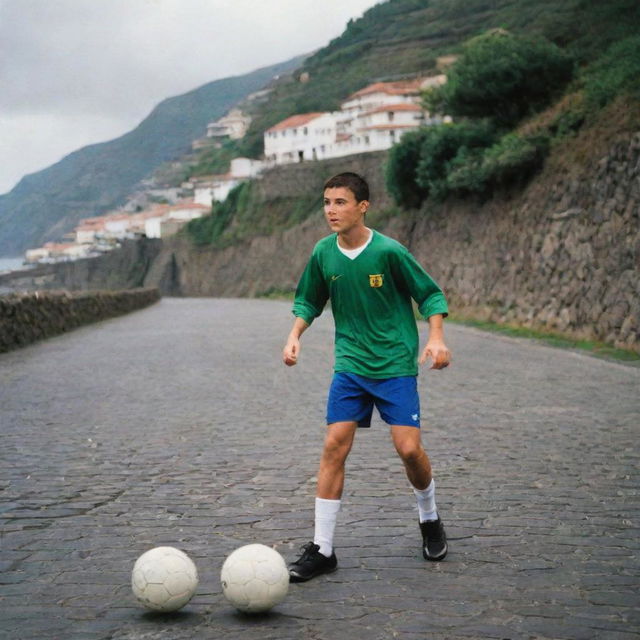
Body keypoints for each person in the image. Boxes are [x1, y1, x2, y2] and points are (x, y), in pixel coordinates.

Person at [282, 172, 451, 582]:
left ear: (363, 206)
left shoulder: (389, 251)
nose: (331, 210)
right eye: (326, 202)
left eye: (340, 202)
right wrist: (294, 335)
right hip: (351, 365)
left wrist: (437, 337)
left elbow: (429, 294)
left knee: (409, 450)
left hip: (393, 364)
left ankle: (429, 519)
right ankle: (322, 549)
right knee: (333, 446)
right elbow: (309, 299)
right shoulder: (324, 253)